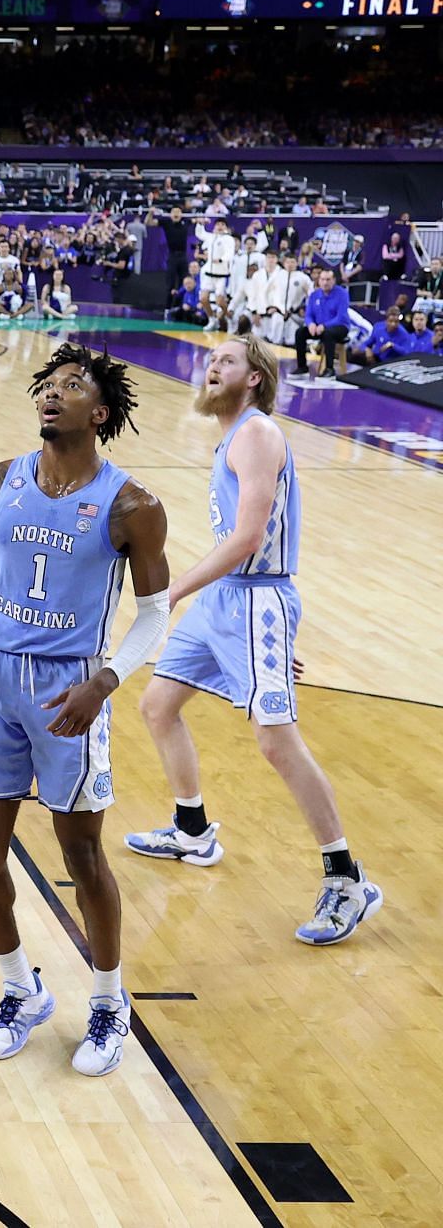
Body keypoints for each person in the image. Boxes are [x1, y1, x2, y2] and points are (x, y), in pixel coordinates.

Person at [0, 344, 171, 1077]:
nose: (51, 394)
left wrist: (105, 681)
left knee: (82, 854)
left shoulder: (133, 506)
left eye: (70, 387)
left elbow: (157, 613)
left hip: (70, 688)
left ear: (98, 414)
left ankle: (107, 1000)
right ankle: (19, 990)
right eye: (48, 385)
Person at [125, 337, 383, 946]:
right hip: (228, 603)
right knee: (158, 706)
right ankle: (193, 829)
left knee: (275, 742)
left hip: (253, 597)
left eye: (228, 361)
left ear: (255, 379)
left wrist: (174, 589)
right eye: (210, 359)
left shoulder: (259, 433)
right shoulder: (234, 434)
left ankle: (347, 879)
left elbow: (248, 538)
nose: (213, 366)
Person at [293, 267, 350, 378]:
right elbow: (308, 314)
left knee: (328, 333)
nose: (325, 282)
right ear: (319, 281)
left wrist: (324, 326)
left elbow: (341, 316)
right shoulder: (314, 295)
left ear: (333, 280)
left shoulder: (342, 294)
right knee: (300, 332)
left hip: (340, 326)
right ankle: (302, 366)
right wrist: (311, 324)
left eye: (328, 279)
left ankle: (329, 368)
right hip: (318, 327)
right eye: (323, 279)